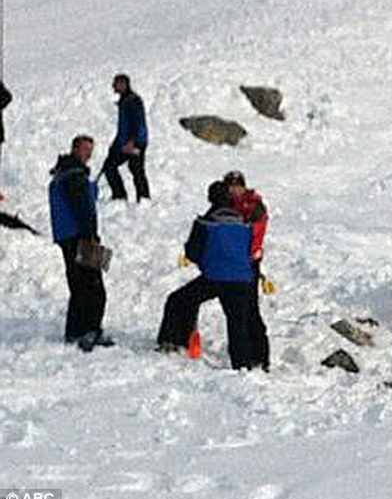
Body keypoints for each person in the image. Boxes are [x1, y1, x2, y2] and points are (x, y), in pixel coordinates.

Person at [156, 181, 257, 370]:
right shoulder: (244, 223)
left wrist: (205, 262)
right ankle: (243, 365)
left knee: (179, 300)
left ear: (210, 198)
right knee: (238, 322)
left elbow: (192, 251)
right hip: (242, 279)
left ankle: (174, 340)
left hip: (215, 277)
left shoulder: (205, 222)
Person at [48, 135, 114, 351]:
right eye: (85, 149)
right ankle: (90, 330)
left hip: (66, 236)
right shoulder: (75, 176)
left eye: (91, 150)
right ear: (75, 149)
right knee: (93, 285)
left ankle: (74, 330)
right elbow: (83, 209)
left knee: (77, 285)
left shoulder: (63, 173)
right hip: (80, 236)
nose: (89, 154)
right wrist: (91, 235)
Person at [224, 170, 270, 371]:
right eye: (230, 186)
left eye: (237, 185)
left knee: (250, 309)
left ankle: (259, 356)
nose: (233, 189)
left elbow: (256, 232)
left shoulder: (254, 205)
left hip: (248, 263)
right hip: (232, 263)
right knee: (241, 310)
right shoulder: (226, 204)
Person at [102, 74, 150, 202]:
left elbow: (137, 122)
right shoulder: (125, 101)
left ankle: (143, 197)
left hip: (135, 142)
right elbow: (124, 126)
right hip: (125, 142)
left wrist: (132, 141)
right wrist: (116, 144)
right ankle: (120, 196)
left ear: (123, 84)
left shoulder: (133, 101)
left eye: (116, 84)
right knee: (110, 165)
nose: (113, 87)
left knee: (136, 169)